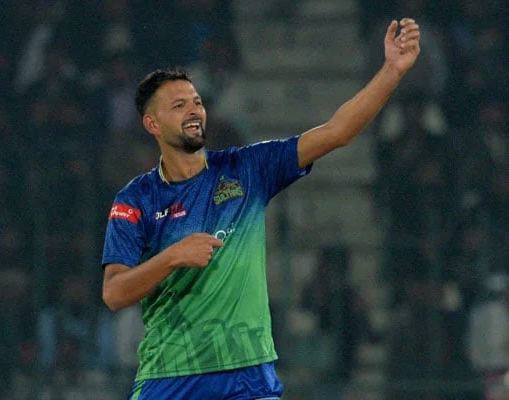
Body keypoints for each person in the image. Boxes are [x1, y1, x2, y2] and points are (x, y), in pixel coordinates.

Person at [101, 18, 421, 399]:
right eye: (178, 105)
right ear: (151, 123)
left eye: (197, 102)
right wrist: (172, 257)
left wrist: (391, 71)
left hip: (247, 375)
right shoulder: (135, 199)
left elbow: (338, 131)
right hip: (171, 376)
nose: (194, 110)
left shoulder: (248, 169)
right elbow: (115, 293)